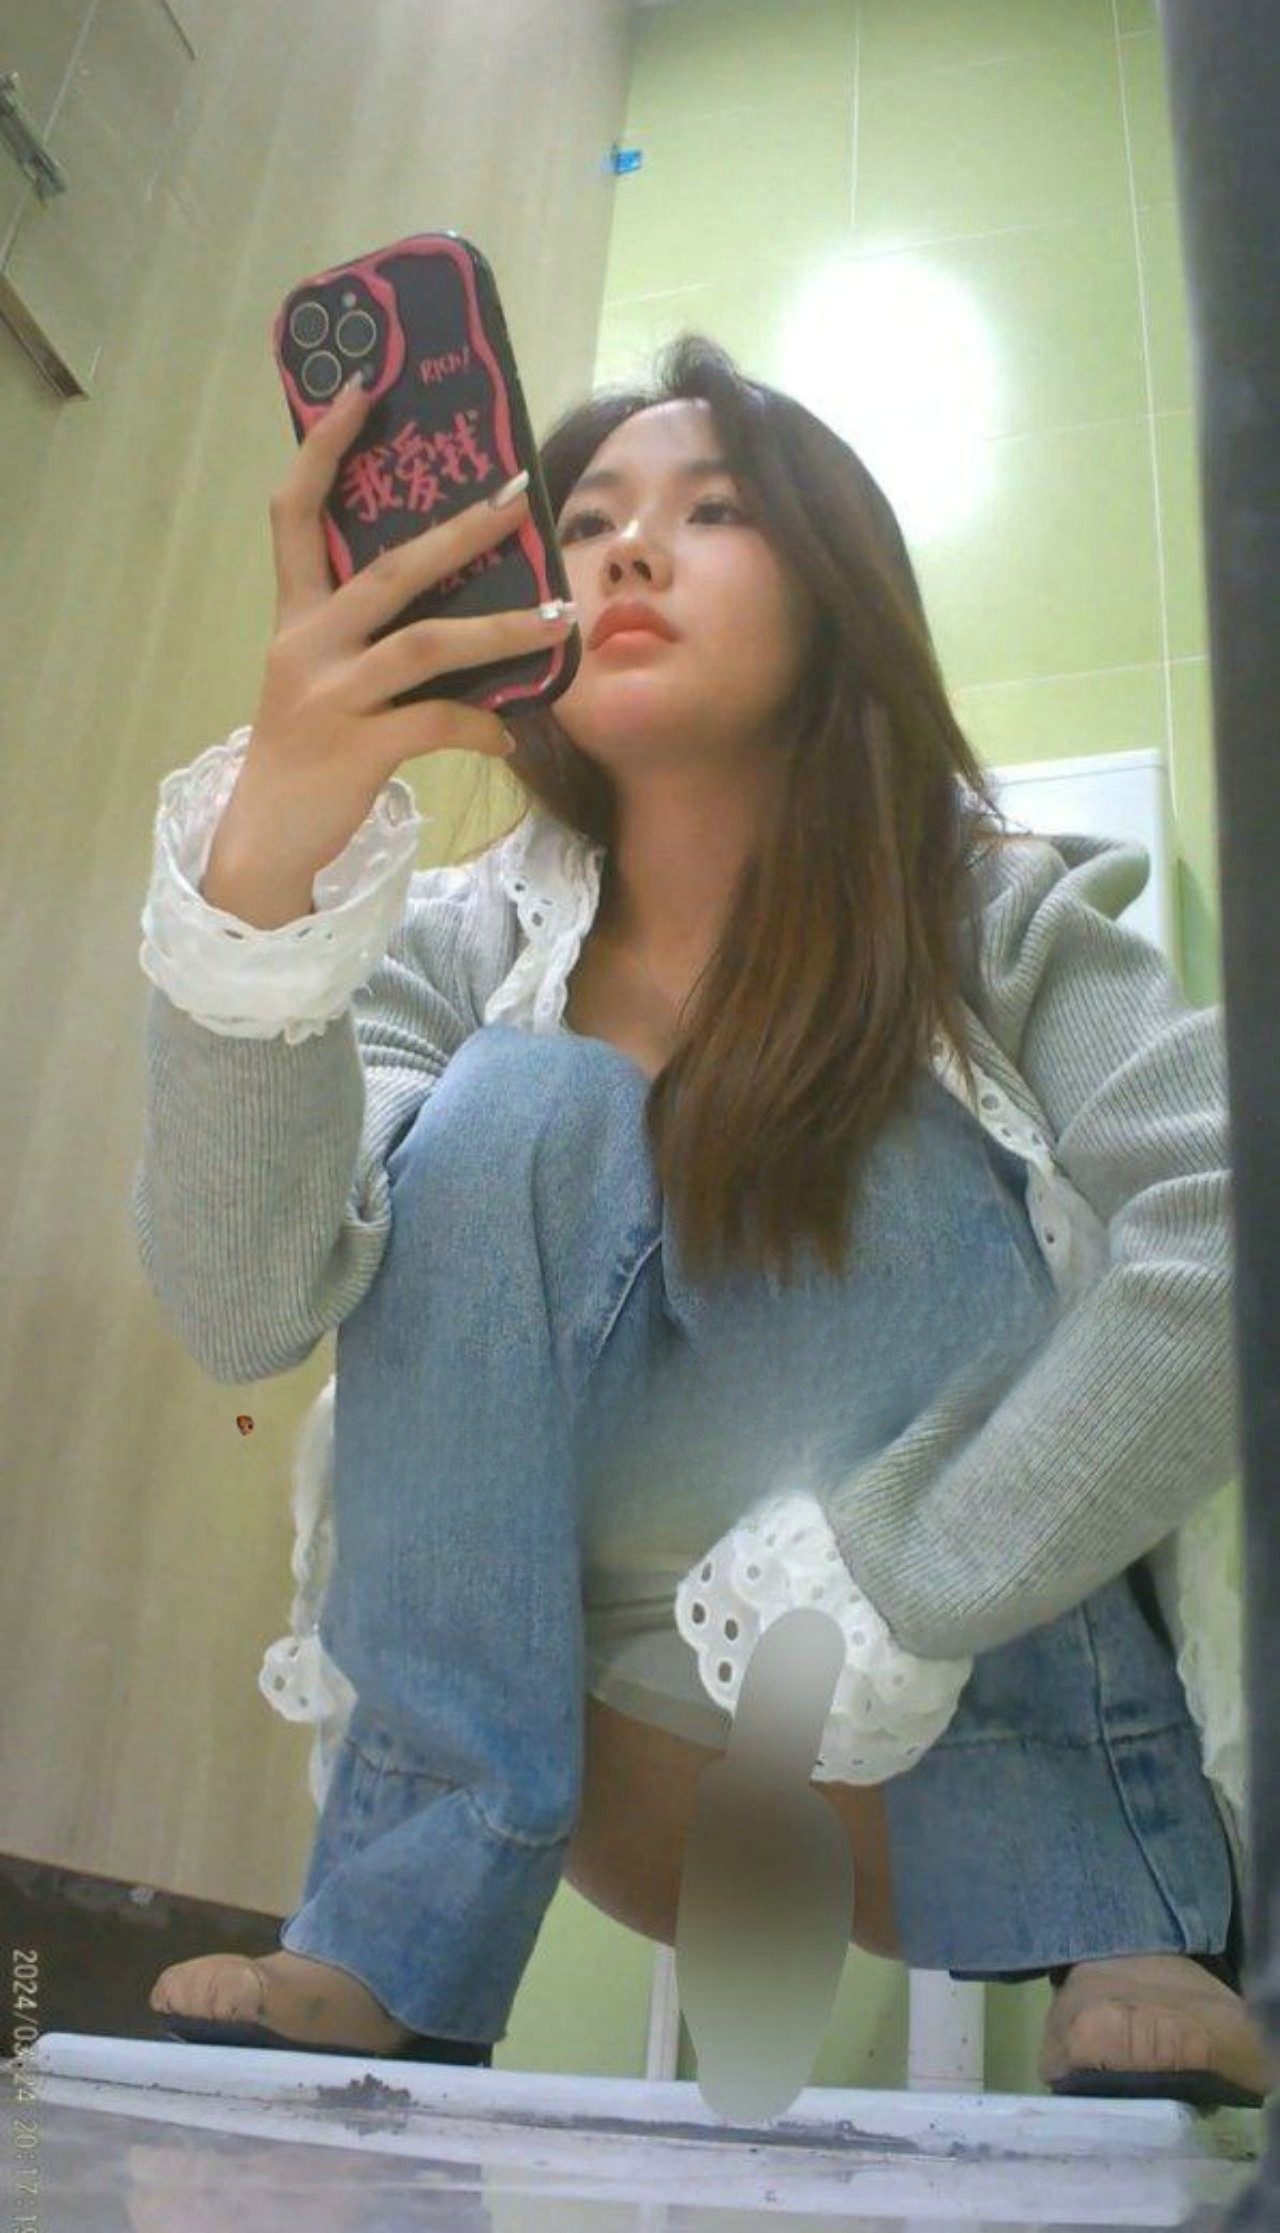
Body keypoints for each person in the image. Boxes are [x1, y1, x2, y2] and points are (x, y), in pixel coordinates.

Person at [133, 333, 1270, 2102]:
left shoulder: (991, 907)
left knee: (891, 1114)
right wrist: (265, 867)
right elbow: (243, 1306)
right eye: (585, 522)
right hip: (610, 1763)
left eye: (713, 510)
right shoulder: (448, 952)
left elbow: (1227, 1216)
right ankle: (395, 1937)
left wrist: (921, 1566)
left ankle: (1115, 1896)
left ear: (836, 592)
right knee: (513, 1105)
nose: (629, 552)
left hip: (966, 1738)